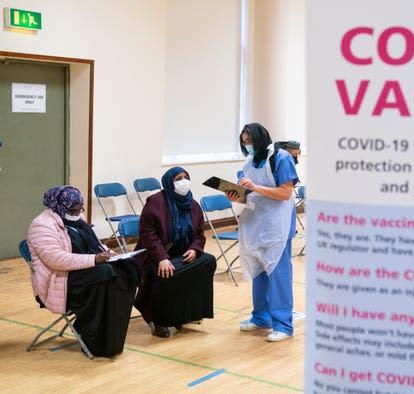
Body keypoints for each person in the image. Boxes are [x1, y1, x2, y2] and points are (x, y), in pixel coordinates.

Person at [27, 185, 140, 358]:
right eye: (73, 210)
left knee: (129, 268)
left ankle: (109, 336)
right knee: (105, 273)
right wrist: (94, 259)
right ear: (60, 207)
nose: (78, 212)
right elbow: (56, 259)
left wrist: (112, 255)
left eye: (80, 209)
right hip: (60, 280)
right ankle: (93, 336)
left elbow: (96, 245)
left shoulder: (77, 219)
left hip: (85, 272)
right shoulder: (41, 226)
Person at [226, 122, 299, 342]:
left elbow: (285, 193)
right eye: (244, 142)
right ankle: (260, 317)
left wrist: (255, 188)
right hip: (256, 223)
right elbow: (248, 196)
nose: (247, 145)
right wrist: (236, 195)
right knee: (259, 270)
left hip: (278, 224)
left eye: (250, 141)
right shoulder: (249, 163)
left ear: (260, 137)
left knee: (278, 273)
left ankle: (283, 325)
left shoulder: (281, 157)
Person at [133, 166, 216, 338]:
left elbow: (200, 234)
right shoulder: (156, 202)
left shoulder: (193, 205)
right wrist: (162, 257)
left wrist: (195, 248)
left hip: (183, 254)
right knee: (166, 271)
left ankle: (186, 314)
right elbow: (148, 235)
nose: (183, 181)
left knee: (208, 261)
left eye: (186, 177)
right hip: (155, 255)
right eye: (178, 178)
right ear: (169, 182)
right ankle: (159, 320)